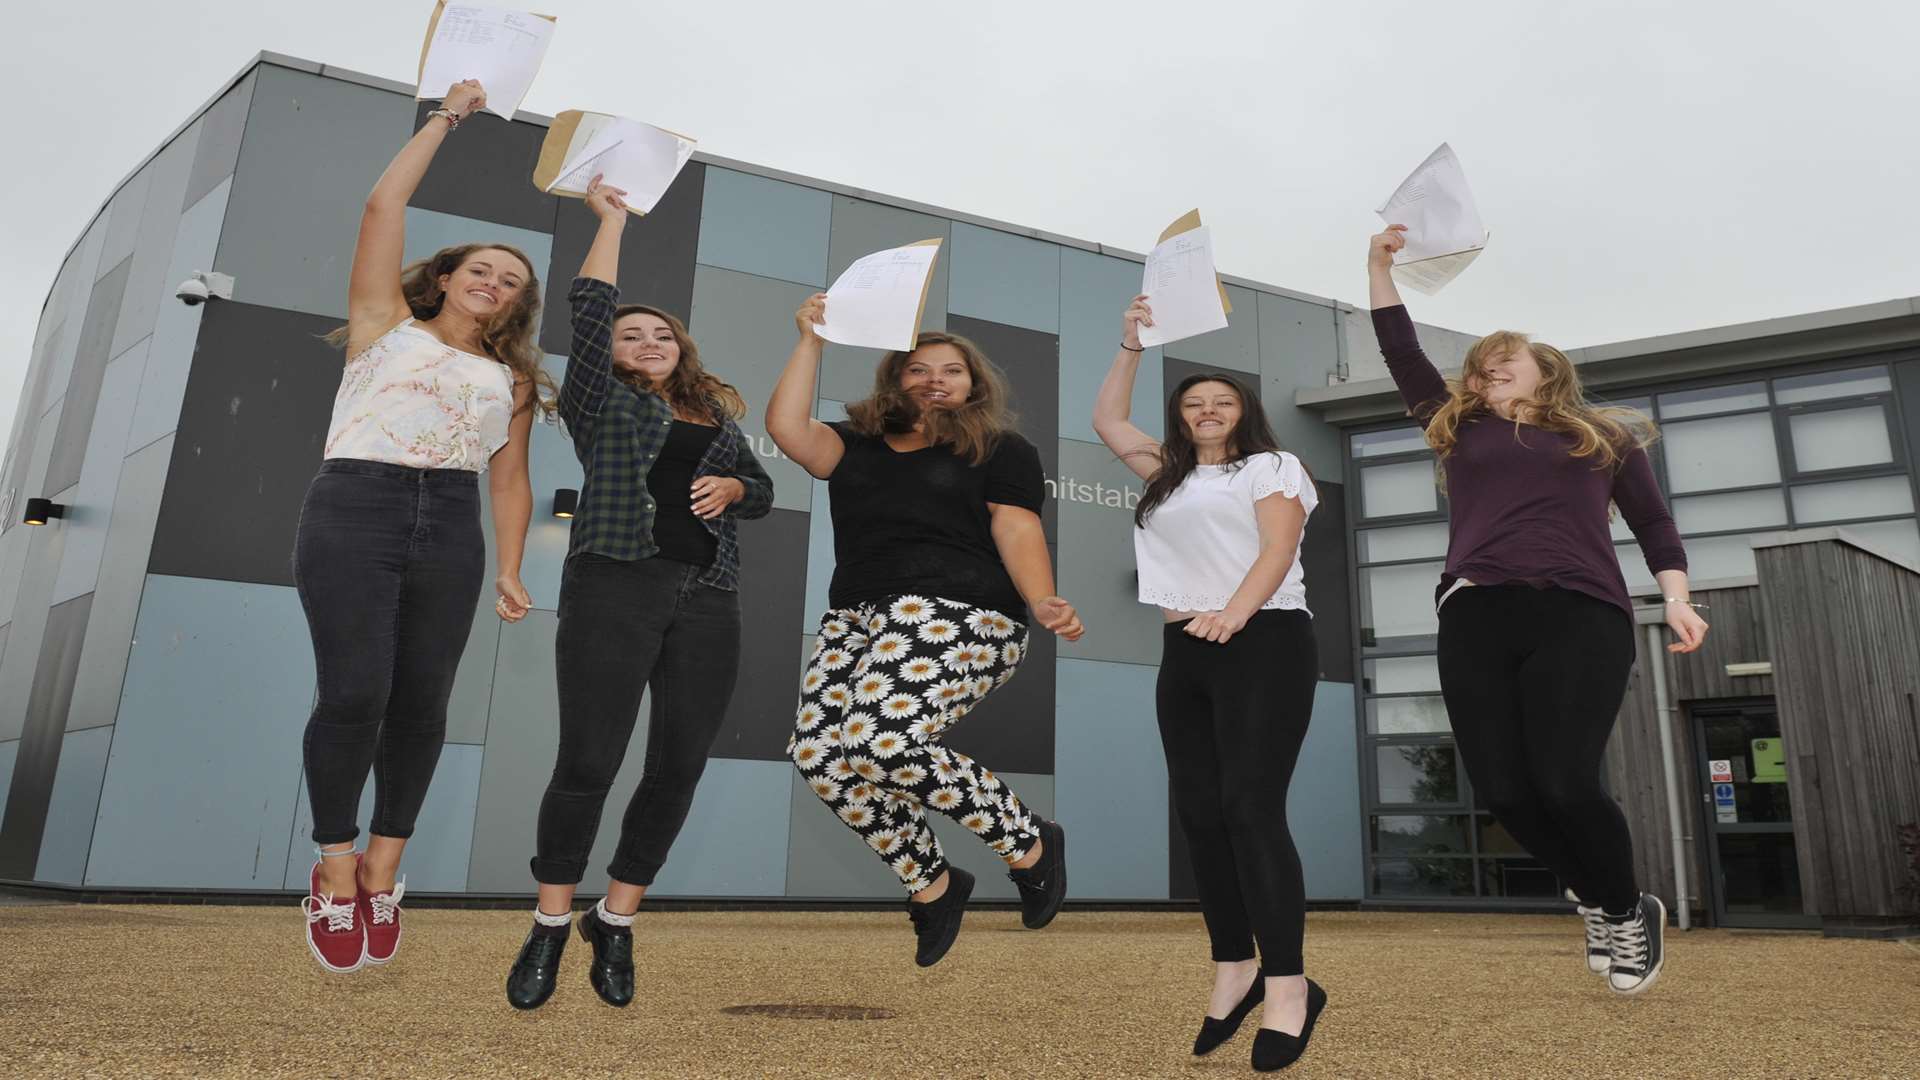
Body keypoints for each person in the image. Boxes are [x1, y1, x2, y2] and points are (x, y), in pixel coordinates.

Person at [1367, 224, 1708, 996]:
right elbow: (1399, 350)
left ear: (1543, 367)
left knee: (1564, 780)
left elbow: (1654, 523)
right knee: (1505, 791)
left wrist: (1678, 597)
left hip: (1581, 611)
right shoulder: (1459, 428)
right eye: (1479, 369)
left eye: (1503, 361)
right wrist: (1377, 268)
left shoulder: (1605, 436)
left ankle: (1625, 909)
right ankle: (1594, 894)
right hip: (1478, 611)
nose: (1488, 373)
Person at [297, 79, 549, 974]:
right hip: (356, 504)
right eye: (482, 268)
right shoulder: (383, 325)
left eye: (512, 281)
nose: (494, 282)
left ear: (517, 306)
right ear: (446, 276)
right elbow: (382, 204)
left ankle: (385, 864)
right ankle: (333, 865)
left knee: (421, 704)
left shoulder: (512, 379)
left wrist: (513, 568)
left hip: (450, 520)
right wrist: (448, 119)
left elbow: (510, 478)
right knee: (355, 692)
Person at [505, 178, 775, 1010]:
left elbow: (761, 489)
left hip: (709, 595)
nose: (649, 340)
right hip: (614, 583)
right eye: (633, 333)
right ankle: (550, 924)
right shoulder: (598, 401)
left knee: (679, 764)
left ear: (680, 348)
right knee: (589, 759)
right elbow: (589, 305)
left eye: (662, 334)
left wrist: (734, 491)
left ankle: (615, 921)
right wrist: (612, 222)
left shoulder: (716, 416)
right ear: (611, 353)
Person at [765, 295, 1083, 967]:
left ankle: (1028, 842)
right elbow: (788, 428)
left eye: (952, 370)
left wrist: (1044, 597)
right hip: (857, 617)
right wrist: (811, 342)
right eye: (918, 369)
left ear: (974, 385)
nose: (935, 379)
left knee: (880, 741)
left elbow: (1015, 524)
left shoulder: (1000, 448)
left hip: (961, 610)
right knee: (821, 755)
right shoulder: (854, 445)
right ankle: (933, 884)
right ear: (894, 380)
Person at [1093, 296, 1328, 1071]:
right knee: (1199, 813)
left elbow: (1276, 547)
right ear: (1180, 417)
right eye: (1193, 404)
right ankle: (1235, 965)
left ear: (1244, 412)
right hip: (1185, 648)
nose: (1207, 411)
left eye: (1221, 402)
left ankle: (1291, 987)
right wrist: (1130, 344)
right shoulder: (1167, 474)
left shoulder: (1271, 467)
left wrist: (1232, 615)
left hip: (1264, 639)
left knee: (1250, 809)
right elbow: (1108, 423)